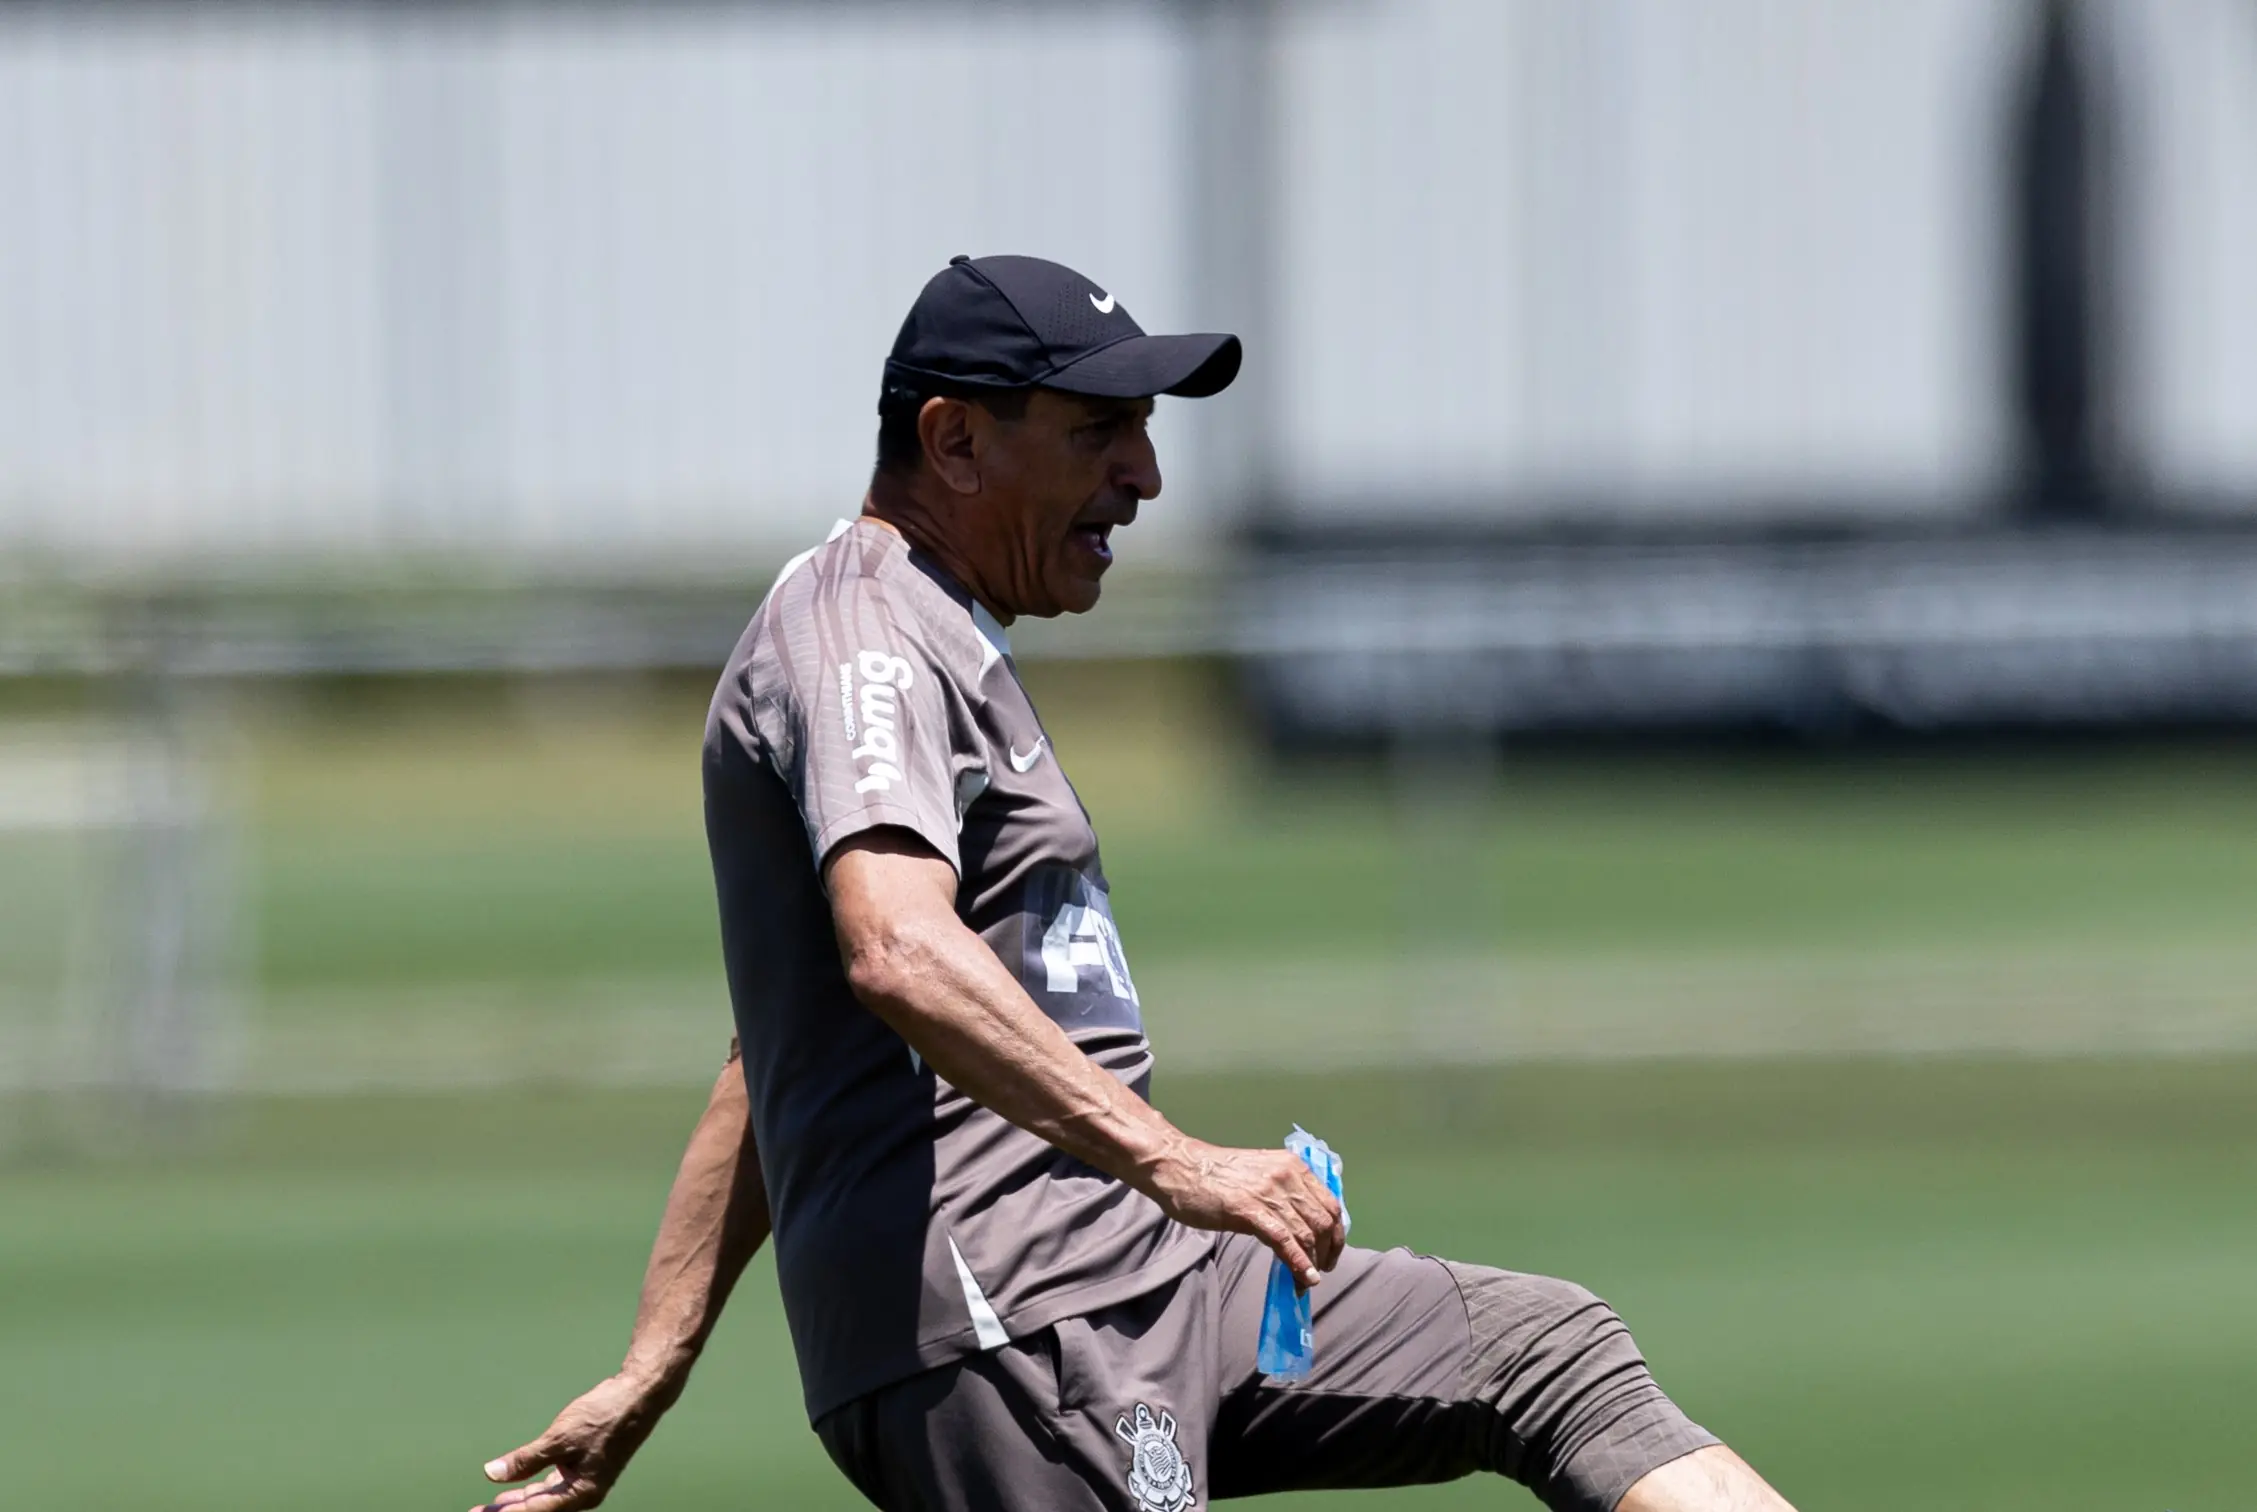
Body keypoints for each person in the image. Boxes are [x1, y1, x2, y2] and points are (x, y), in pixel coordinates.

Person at [470, 255, 1797, 1512]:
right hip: (1016, 1316)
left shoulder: (935, 629)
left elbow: (777, 1049)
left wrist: (658, 1360)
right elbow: (889, 951)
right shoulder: (861, 633)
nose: (1145, 474)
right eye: (1099, 428)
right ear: (954, 440)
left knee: (1541, 1347)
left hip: (1141, 1273)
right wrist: (1182, 1166)